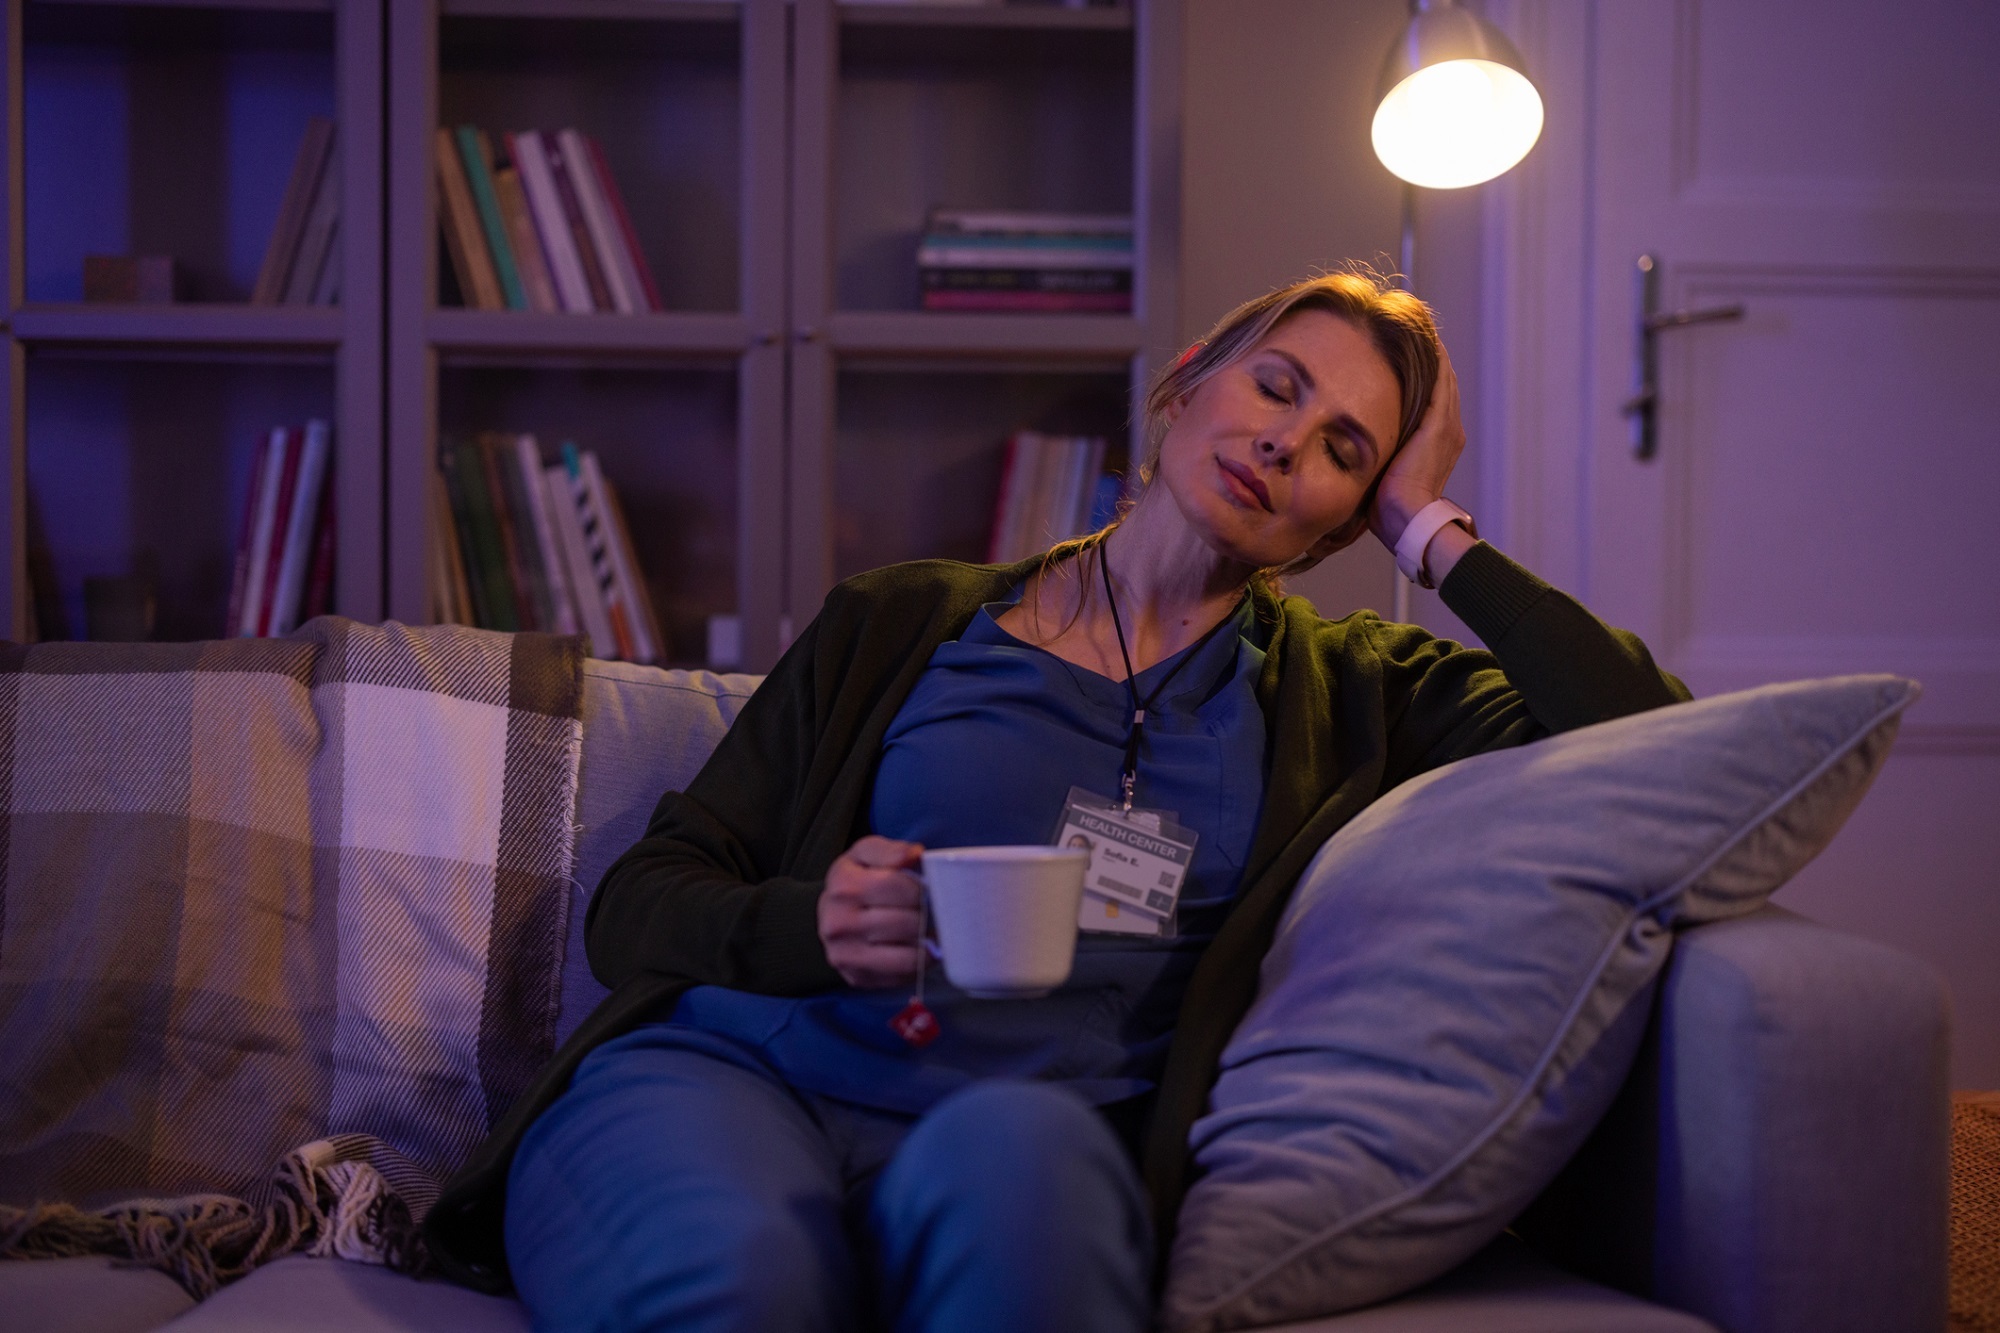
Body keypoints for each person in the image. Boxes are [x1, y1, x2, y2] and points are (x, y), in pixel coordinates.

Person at [422, 270, 1688, 1331]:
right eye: (1275, 385)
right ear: (1187, 381)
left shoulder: (1353, 693)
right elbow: (640, 902)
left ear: (1342, 519)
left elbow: (1651, 741)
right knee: (742, 1282)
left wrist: (1430, 529)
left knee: (1033, 1216)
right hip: (741, 1080)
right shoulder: (903, 617)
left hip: (1018, 1129)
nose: (1285, 442)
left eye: (1344, 451)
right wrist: (810, 924)